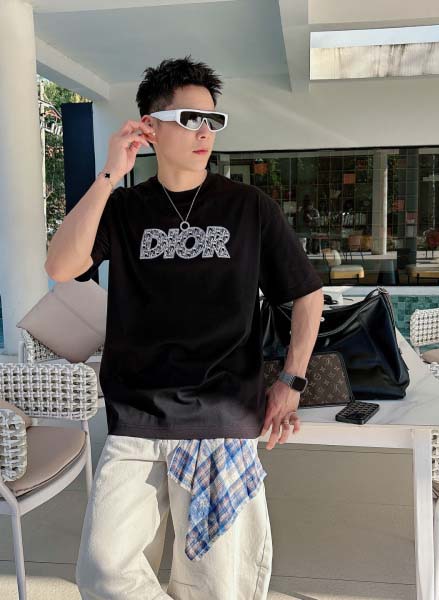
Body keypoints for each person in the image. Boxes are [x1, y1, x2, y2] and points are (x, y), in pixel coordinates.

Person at [45, 55, 324, 600]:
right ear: (150, 127)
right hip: (137, 417)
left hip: (223, 417)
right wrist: (109, 173)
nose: (204, 132)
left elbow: (306, 294)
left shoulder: (249, 207)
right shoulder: (124, 208)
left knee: (217, 587)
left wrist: (291, 381)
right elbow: (60, 267)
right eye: (190, 118)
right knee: (103, 572)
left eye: (213, 120)